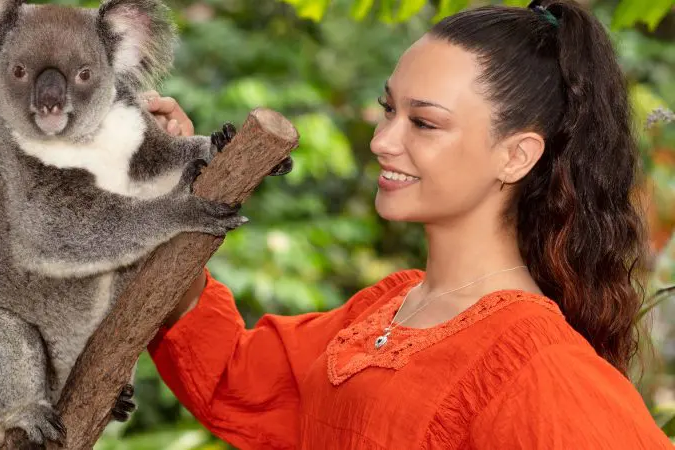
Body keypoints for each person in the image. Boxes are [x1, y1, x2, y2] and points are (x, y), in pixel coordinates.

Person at [143, 1, 674, 448]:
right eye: (388, 109)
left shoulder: (541, 368)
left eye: (424, 123)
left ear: (516, 156)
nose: (382, 141)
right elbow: (235, 376)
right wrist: (162, 180)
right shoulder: (384, 312)